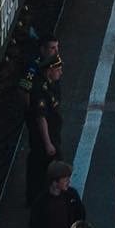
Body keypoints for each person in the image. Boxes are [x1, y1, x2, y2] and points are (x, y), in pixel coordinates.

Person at [25, 52, 65, 205]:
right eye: (58, 69)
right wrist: (48, 143)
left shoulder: (51, 84)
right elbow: (41, 118)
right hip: (45, 138)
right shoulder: (40, 90)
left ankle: (39, 197)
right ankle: (49, 198)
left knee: (40, 168)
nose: (61, 72)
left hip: (52, 134)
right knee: (53, 168)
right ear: (49, 70)